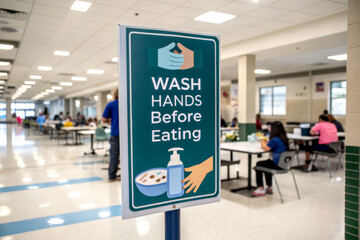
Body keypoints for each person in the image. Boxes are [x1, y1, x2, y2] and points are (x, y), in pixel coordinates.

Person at [252, 121, 289, 197]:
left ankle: (260, 189)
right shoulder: (283, 138)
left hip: (277, 164)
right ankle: (269, 187)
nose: (269, 129)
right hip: (283, 164)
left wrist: (262, 139)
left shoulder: (275, 139)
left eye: (271, 127)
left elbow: (265, 147)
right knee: (267, 163)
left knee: (259, 165)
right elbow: (270, 145)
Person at [102, 89, 120, 182]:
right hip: (129, 135)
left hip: (116, 133)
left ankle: (112, 176)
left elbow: (104, 120)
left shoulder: (111, 104)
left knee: (114, 155)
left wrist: (112, 119)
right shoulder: (130, 103)